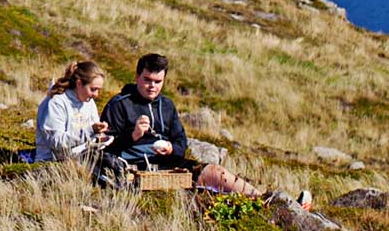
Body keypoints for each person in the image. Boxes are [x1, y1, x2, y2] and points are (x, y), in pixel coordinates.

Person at [101, 53, 296, 201]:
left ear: (164, 80)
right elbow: (104, 148)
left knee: (213, 171)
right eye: (147, 80)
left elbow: (181, 140)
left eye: (158, 82)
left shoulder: (167, 105)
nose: (152, 86)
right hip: (133, 168)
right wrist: (133, 135)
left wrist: (171, 149)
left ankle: (264, 200)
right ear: (137, 77)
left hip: (167, 164)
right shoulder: (119, 104)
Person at [35, 60, 109, 164]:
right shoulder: (56, 103)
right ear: (79, 83)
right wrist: (90, 131)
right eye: (93, 89)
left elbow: (92, 134)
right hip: (53, 163)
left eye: (98, 90)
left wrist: (100, 136)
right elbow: (56, 142)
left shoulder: (89, 102)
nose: (96, 94)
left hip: (84, 159)